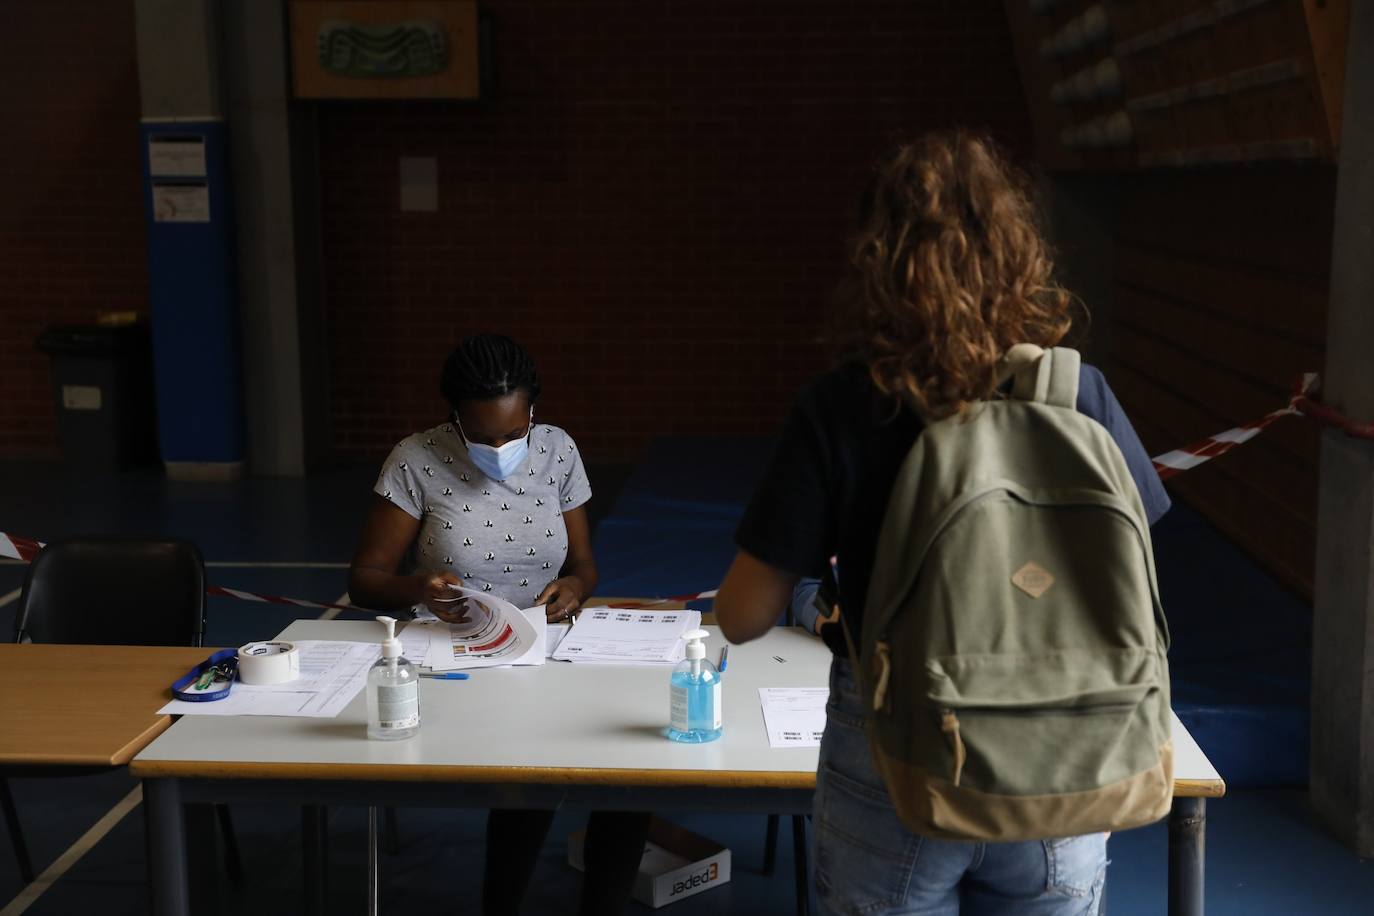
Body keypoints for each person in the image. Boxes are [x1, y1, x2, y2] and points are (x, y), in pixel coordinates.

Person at [713, 131, 1171, 915]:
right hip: (1068, 742)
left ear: (875, 261)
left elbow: (743, 616)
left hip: (897, 751)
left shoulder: (844, 407)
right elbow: (1131, 558)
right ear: (1020, 250)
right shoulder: (1078, 393)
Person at [348, 333, 650, 916]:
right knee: (528, 778)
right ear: (453, 418)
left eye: (514, 434)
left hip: (548, 646)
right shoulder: (416, 458)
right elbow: (365, 578)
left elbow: (584, 564)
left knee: (627, 776)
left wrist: (577, 586)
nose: (501, 448)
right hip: (455, 653)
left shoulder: (557, 450)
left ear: (533, 412)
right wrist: (420, 590)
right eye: (482, 437)